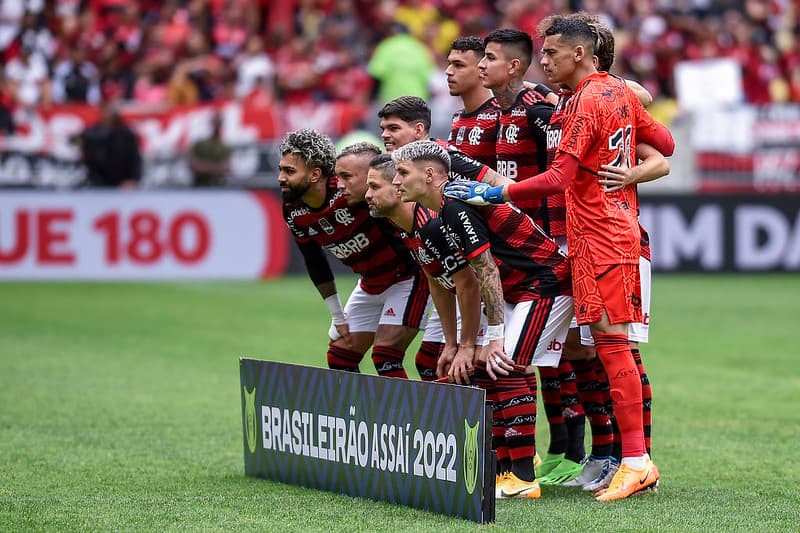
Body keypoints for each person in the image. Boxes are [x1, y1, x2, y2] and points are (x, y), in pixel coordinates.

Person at [445, 17, 675, 502]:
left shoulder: (587, 100)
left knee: (611, 348)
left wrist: (496, 191)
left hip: (603, 237)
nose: (542, 61)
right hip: (594, 238)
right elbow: (666, 145)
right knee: (595, 349)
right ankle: (612, 457)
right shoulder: (606, 94)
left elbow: (558, 177)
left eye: (550, 53)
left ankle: (632, 459)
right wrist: (632, 170)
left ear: (579, 54)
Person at [394, 139, 574, 500]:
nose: (396, 181)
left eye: (402, 172)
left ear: (429, 175)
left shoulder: (455, 205)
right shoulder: (445, 208)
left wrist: (492, 337)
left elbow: (487, 272)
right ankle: (506, 471)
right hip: (524, 289)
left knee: (500, 365)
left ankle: (523, 478)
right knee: (486, 368)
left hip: (546, 282)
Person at [279, 130, 429, 380]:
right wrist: (337, 315)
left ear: (315, 174)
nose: (280, 178)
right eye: (282, 169)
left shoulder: (353, 190)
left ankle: (408, 419)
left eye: (289, 171)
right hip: (370, 283)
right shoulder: (292, 209)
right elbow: (313, 259)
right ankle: (360, 418)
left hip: (408, 276)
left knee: (386, 355)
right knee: (339, 355)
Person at [364, 153, 486, 383]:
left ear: (397, 187)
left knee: (480, 368)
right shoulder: (402, 224)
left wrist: (466, 345)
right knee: (436, 363)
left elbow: (469, 284)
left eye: (374, 186)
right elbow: (436, 281)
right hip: (475, 300)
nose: (367, 195)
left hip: (498, 296)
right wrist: (451, 342)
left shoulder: (432, 224)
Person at [74, 102, 142, 189]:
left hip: (122, 183)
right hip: (96, 183)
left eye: (111, 112)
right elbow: (74, 141)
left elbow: (135, 158)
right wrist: (82, 150)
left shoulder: (126, 134)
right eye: (105, 111)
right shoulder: (93, 132)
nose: (108, 115)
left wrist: (134, 179)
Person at [188, 113, 232, 187]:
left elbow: (226, 167)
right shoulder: (200, 144)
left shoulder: (224, 146)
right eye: (215, 123)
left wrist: (204, 166)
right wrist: (215, 168)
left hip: (219, 185)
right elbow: (193, 164)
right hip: (199, 185)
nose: (216, 126)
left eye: (219, 123)